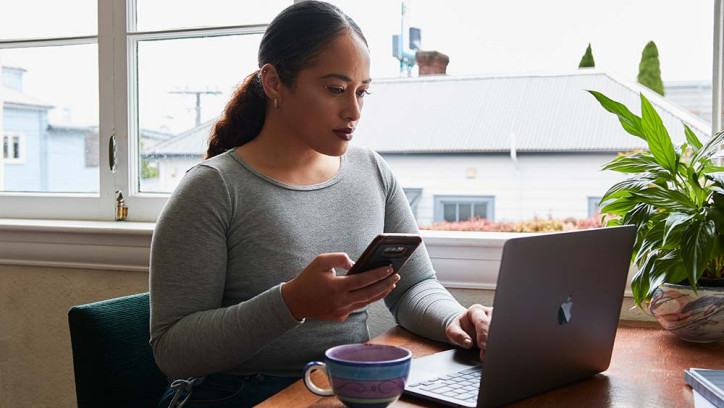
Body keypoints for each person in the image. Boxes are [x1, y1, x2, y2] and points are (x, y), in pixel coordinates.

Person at [150, 2, 492, 407]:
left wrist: (456, 319)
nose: (354, 111)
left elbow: (414, 286)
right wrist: (291, 303)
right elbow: (172, 350)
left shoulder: (372, 171)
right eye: (335, 89)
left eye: (362, 91)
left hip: (343, 388)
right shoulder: (213, 189)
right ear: (274, 82)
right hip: (241, 393)